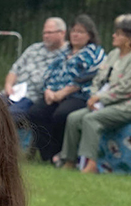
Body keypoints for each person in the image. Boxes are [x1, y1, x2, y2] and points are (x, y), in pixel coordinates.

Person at [57, 15, 131, 173]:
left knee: (91, 119)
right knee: (73, 118)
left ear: (129, 39)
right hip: (103, 102)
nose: (114, 36)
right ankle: (69, 160)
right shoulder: (113, 55)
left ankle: (91, 163)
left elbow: (126, 89)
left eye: (118, 34)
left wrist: (100, 98)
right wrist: (94, 96)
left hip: (129, 105)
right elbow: (98, 79)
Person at [25, 14, 105, 162]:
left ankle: (62, 154)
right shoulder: (63, 52)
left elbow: (89, 75)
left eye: (80, 32)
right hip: (54, 94)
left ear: (89, 35)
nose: (75, 34)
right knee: (36, 112)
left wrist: (64, 92)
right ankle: (48, 155)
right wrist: (48, 90)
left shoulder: (95, 53)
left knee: (61, 114)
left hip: (79, 95)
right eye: (73, 30)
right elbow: (48, 73)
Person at [3, 18, 67, 120]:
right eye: (44, 33)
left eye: (49, 33)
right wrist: (8, 85)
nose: (46, 36)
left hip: (32, 97)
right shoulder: (34, 48)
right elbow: (15, 69)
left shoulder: (67, 54)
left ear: (62, 33)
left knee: (5, 117)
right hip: (13, 92)